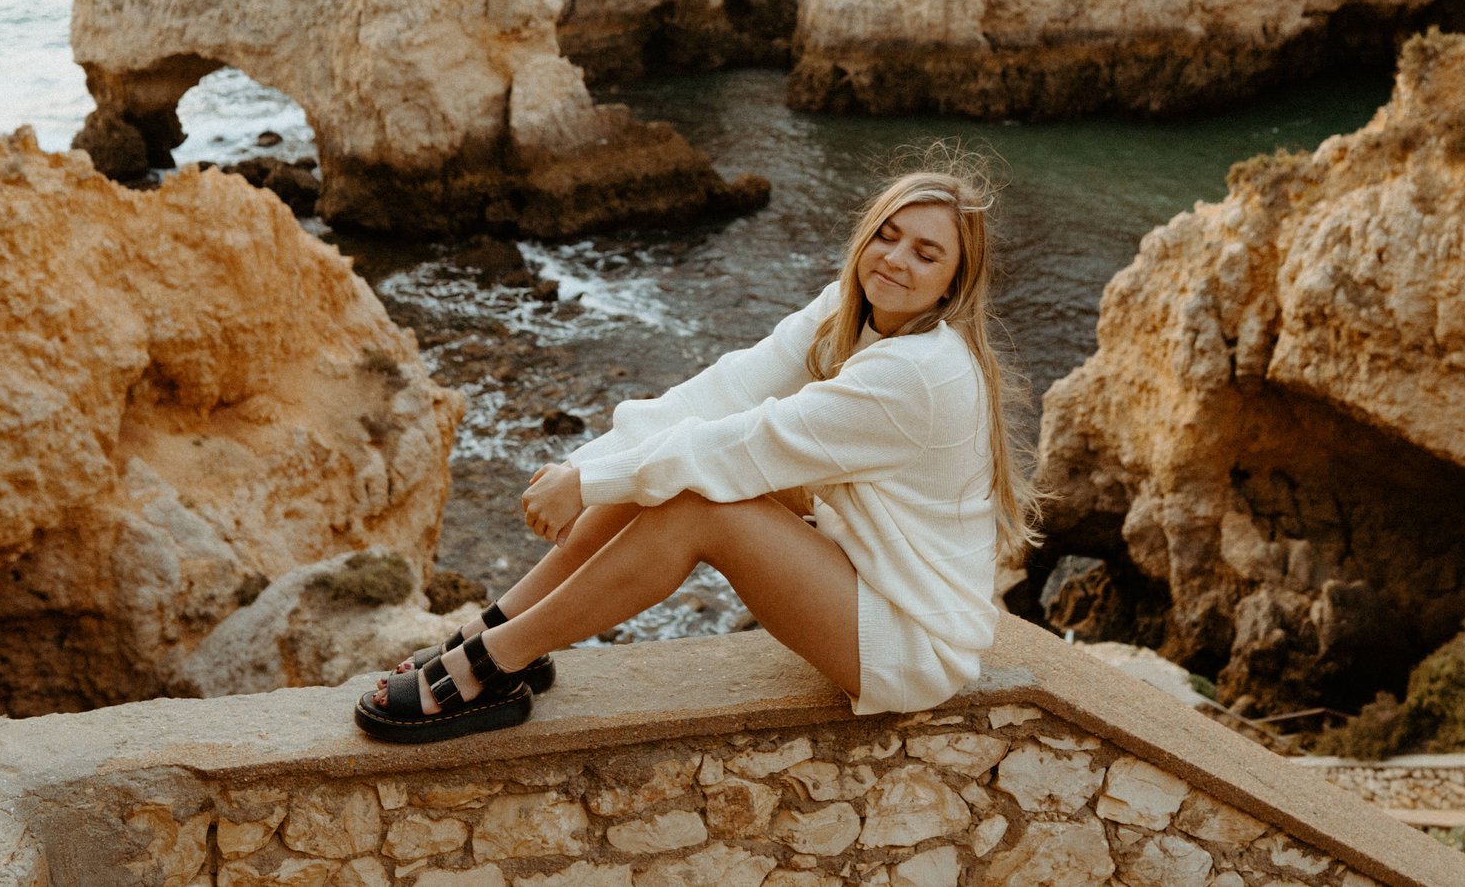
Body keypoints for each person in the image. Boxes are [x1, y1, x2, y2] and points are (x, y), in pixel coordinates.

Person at [355, 153, 1039, 742]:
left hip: (915, 644)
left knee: (697, 502)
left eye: (926, 252)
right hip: (871, 573)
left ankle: (497, 660)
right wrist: (584, 467)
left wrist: (590, 487)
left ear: (954, 281)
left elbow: (743, 444)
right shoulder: (848, 310)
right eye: (887, 236)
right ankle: (502, 627)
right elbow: (723, 391)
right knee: (677, 465)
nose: (895, 258)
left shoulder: (917, 372)